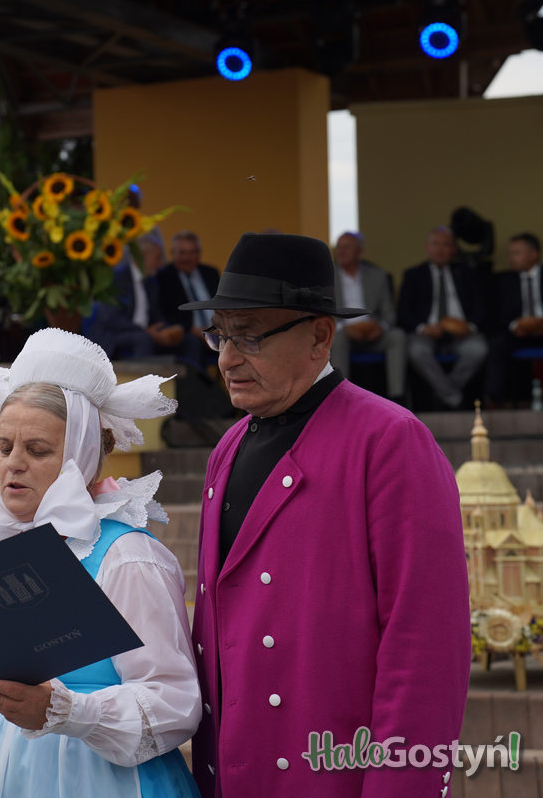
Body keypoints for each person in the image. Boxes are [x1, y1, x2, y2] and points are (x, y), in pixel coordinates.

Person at [182, 233, 470, 797]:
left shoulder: (389, 441)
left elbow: (426, 650)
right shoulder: (226, 449)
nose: (227, 359)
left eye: (250, 336)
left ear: (320, 336)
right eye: (220, 334)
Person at [0, 328, 200, 798]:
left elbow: (173, 702)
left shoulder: (126, 557)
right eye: (4, 446)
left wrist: (70, 713)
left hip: (93, 778)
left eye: (38, 450)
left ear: (81, 457)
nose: (14, 463)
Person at [396, 225, 488, 409]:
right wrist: (423, 328)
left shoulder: (468, 273)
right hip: (427, 333)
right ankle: (452, 395)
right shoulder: (414, 275)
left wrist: (468, 327)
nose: (440, 249)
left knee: (478, 350)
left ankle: (445, 393)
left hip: (462, 334)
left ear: (454, 249)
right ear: (427, 247)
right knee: (416, 351)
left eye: (446, 245)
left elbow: (481, 307)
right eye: (435, 244)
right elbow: (403, 312)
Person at [87, 230, 203, 366]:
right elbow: (111, 318)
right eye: (157, 258)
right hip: (115, 335)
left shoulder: (151, 282)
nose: (161, 264)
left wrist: (168, 330)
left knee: (189, 341)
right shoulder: (116, 278)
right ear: (141, 258)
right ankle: (142, 380)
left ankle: (190, 380)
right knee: (144, 339)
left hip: (146, 333)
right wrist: (145, 331)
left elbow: (156, 314)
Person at [329, 232, 406, 402]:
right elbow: (324, 313)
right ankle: (341, 398)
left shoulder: (377, 276)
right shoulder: (327, 277)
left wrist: (381, 327)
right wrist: (344, 328)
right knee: (337, 339)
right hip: (343, 331)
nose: (341, 251)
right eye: (338, 247)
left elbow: (389, 314)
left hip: (373, 332)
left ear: (360, 252)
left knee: (397, 336)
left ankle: (397, 397)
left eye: (346, 247)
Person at [487, 232, 543, 406]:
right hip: (517, 332)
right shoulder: (503, 280)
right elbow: (497, 313)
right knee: (496, 344)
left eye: (517, 253)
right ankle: (497, 400)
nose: (511, 258)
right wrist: (516, 325)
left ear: (534, 254)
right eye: (510, 253)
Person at [155, 230, 220, 367]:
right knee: (191, 343)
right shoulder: (163, 277)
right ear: (172, 253)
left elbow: (222, 304)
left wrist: (221, 329)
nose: (187, 258)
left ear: (199, 253)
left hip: (218, 330)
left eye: (192, 253)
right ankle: (195, 381)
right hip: (187, 332)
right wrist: (197, 331)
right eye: (182, 253)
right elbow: (165, 313)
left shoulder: (211, 273)